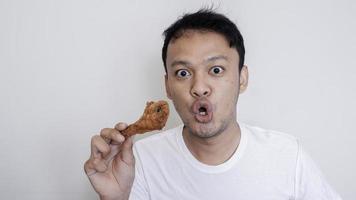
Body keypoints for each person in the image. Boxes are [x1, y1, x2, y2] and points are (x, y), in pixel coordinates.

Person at [84, 9, 342, 200]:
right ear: (167, 88)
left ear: (242, 79)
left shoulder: (287, 157)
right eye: (183, 73)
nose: (198, 87)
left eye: (216, 69)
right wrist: (116, 198)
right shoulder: (138, 162)